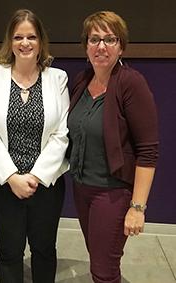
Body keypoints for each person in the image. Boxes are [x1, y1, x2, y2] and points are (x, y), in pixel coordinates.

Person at [0, 9, 69, 283]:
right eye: (18, 37)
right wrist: (11, 177)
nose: (25, 43)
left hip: (46, 184)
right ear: (10, 41)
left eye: (31, 36)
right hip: (5, 185)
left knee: (43, 250)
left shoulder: (57, 77)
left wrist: (36, 176)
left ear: (41, 41)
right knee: (9, 252)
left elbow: (61, 133)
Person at [68, 11, 158, 283]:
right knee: (98, 260)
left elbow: (148, 150)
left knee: (104, 271)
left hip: (112, 193)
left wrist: (137, 207)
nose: (101, 46)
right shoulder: (82, 81)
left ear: (121, 46)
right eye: (94, 39)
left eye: (109, 39)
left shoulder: (130, 83)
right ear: (86, 46)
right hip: (82, 188)